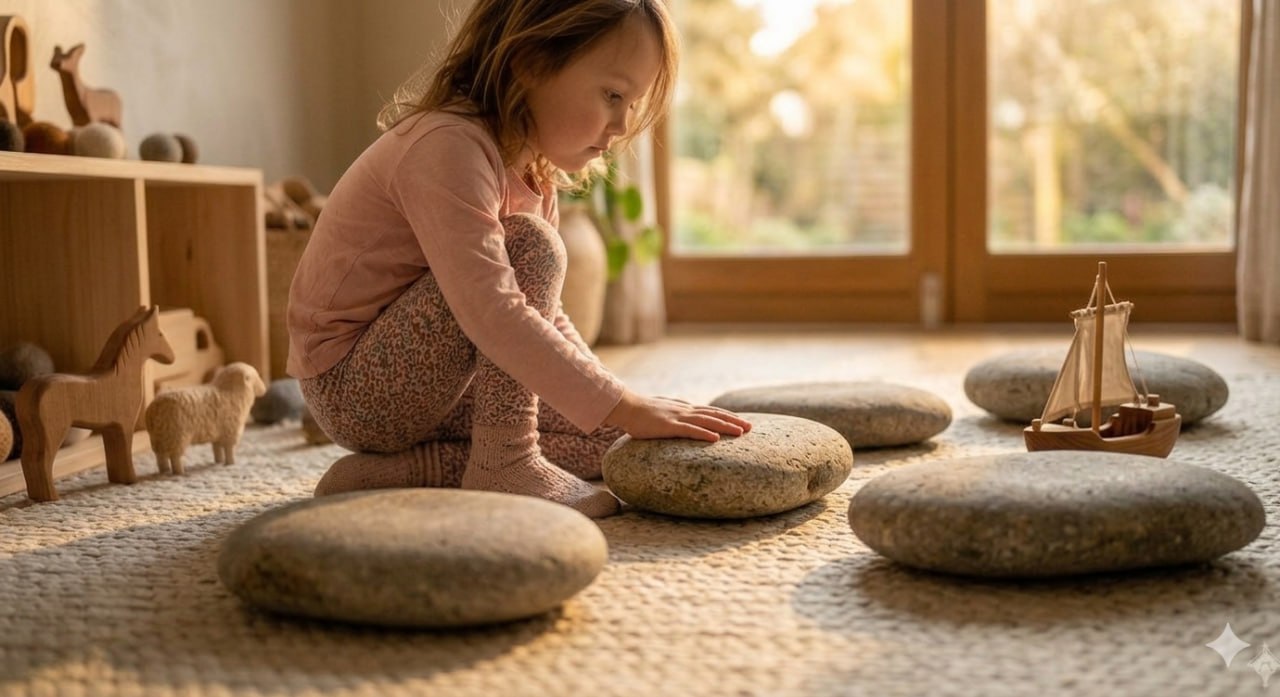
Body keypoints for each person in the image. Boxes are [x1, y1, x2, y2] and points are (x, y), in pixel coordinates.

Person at [287, 0, 752, 518]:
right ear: (530, 61)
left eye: (632, 103)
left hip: (433, 384)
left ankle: (409, 471)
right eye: (613, 94)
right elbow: (493, 309)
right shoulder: (448, 145)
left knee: (611, 443)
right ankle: (505, 461)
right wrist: (622, 403)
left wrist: (619, 406)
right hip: (357, 389)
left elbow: (543, 317)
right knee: (532, 245)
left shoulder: (532, 171)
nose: (622, 124)